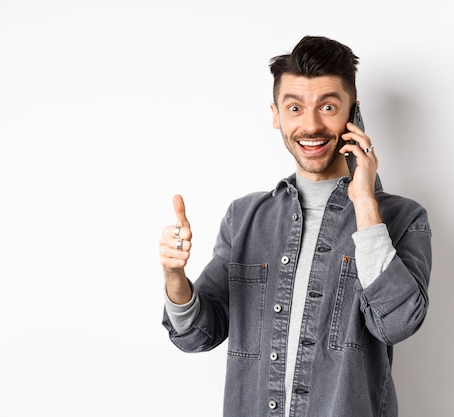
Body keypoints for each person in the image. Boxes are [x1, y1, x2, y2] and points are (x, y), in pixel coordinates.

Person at [159, 35, 432, 417]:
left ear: (353, 114)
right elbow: (196, 335)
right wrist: (175, 276)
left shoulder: (404, 219)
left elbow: (397, 325)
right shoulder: (245, 218)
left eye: (329, 106)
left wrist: (366, 201)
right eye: (295, 107)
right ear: (276, 115)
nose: (311, 125)